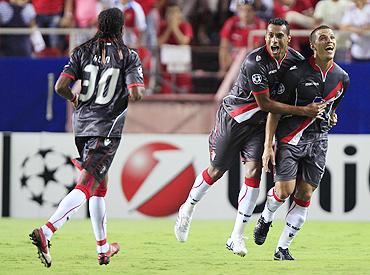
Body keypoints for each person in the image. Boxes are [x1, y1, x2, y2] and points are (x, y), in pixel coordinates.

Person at [174, 18, 326, 257]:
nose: (273, 40)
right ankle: (187, 208)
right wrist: (304, 111)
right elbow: (264, 103)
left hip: (258, 126)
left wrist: (325, 113)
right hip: (234, 120)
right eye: (270, 35)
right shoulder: (255, 62)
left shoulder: (296, 62)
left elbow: (305, 92)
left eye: (279, 36)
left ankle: (236, 236)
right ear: (265, 37)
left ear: (288, 38)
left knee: (254, 171)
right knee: (216, 171)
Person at [29, 7, 145, 268]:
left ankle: (103, 249)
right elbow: (136, 94)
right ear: (121, 28)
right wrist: (134, 92)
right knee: (86, 185)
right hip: (106, 129)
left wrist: (75, 98)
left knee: (98, 188)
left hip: (81, 127)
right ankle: (46, 231)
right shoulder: (129, 55)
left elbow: (61, 87)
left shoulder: (81, 50)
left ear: (98, 25)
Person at [253, 25, 349, 260]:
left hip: (318, 141)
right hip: (290, 139)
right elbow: (274, 111)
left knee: (305, 194)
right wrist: (268, 146)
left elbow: (332, 106)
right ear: (313, 46)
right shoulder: (296, 73)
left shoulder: (342, 78)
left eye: (332, 38)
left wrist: (332, 116)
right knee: (284, 190)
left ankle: (282, 248)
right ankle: (266, 218)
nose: (330, 42)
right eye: (323, 38)